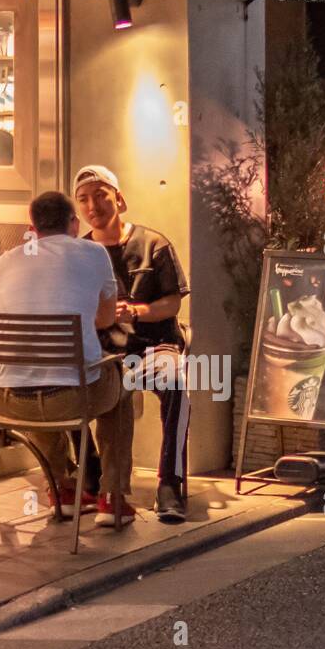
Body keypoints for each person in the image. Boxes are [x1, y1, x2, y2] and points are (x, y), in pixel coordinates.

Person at [0, 190, 134, 526]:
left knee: (28, 373)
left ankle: (60, 487)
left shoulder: (11, 258)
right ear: (73, 223)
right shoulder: (96, 253)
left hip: (8, 401)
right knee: (120, 385)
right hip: (73, 398)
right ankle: (111, 497)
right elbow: (105, 319)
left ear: (33, 227)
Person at [74, 164, 190, 524]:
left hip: (153, 348)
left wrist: (137, 311)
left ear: (119, 200)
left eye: (100, 196)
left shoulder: (154, 245)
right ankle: (90, 472)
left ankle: (170, 482)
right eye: (83, 200)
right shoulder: (79, 252)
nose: (92, 205)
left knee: (178, 383)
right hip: (103, 352)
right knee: (58, 377)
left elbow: (173, 302)